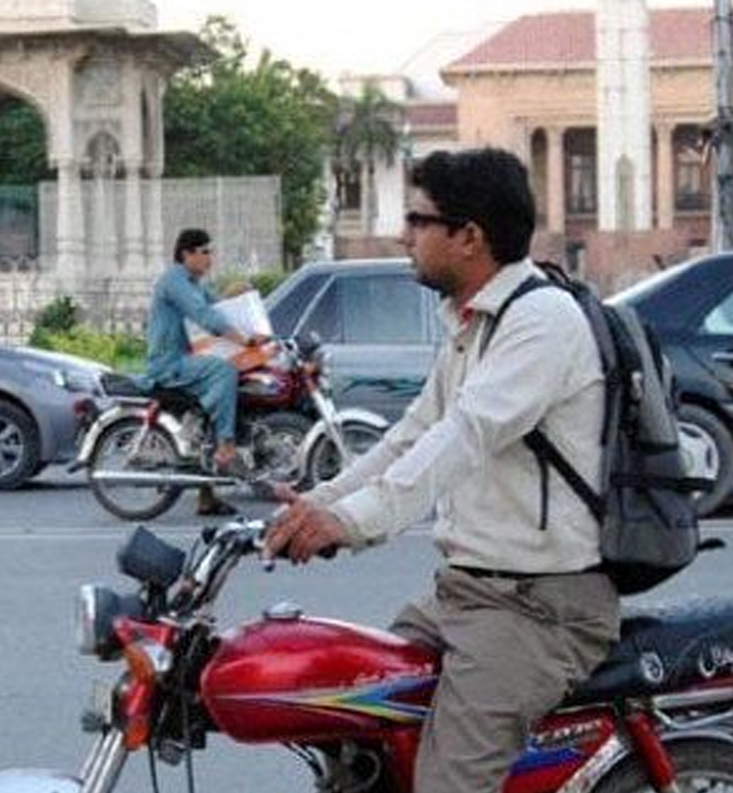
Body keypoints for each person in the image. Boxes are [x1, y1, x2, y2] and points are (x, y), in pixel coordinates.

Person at [265, 148, 618, 793]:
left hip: (536, 610)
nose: (404, 236)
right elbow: (413, 435)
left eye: (417, 220)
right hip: (464, 595)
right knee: (356, 729)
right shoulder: (472, 323)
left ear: (468, 238)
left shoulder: (540, 322)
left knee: (445, 785)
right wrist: (316, 504)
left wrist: (350, 521)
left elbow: (464, 437)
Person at [146, 228, 259, 516]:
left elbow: (217, 306)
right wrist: (243, 340)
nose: (211, 258)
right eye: (205, 252)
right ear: (187, 254)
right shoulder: (175, 281)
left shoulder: (193, 282)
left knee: (232, 383)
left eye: (211, 251)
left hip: (187, 358)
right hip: (170, 362)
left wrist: (242, 296)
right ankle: (226, 445)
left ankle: (206, 497)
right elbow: (206, 316)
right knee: (224, 371)